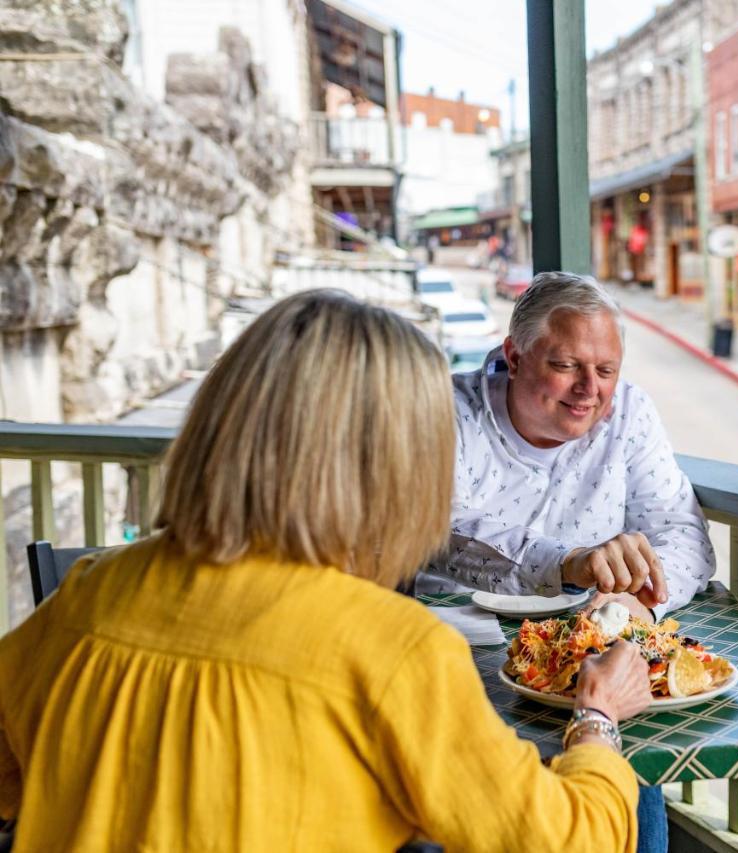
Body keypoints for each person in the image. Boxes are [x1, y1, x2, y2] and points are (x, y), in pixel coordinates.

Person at [0, 290, 652, 852]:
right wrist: (597, 716)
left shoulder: (87, 593)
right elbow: (568, 839)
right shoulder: (393, 650)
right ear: (398, 464)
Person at [435, 271, 716, 853]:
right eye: (567, 366)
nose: (590, 388)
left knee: (627, 773)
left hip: (582, 660)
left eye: (606, 371)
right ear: (514, 355)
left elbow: (683, 533)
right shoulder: (445, 410)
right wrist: (567, 561)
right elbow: (439, 530)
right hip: (453, 657)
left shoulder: (631, 413)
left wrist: (636, 598)